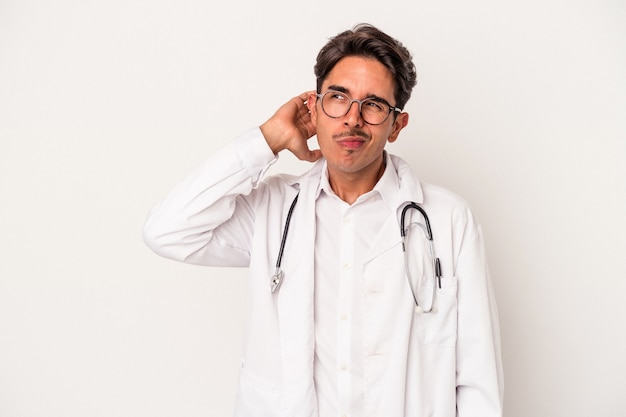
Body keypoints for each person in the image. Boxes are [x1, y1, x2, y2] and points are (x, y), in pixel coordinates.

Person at [143, 23, 503, 417]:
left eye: (373, 105)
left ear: (396, 125)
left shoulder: (447, 220)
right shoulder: (275, 209)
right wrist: (269, 138)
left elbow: (477, 379)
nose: (352, 119)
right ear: (313, 107)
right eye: (338, 98)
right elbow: (167, 231)